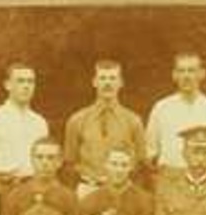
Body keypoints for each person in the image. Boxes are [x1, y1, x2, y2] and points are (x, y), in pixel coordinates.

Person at [0, 63, 49, 215]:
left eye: (30, 81)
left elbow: (45, 161)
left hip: (33, 192)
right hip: (2, 190)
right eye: (20, 81)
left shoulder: (40, 122)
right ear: (7, 85)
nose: (26, 86)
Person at [63, 59, 147, 197]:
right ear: (94, 82)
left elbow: (140, 164)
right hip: (88, 188)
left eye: (112, 78)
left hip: (122, 191)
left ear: (120, 83)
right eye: (103, 78)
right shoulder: (77, 120)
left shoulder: (133, 121)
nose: (107, 83)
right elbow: (69, 163)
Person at [145, 53, 206, 172]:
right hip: (169, 178)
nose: (186, 76)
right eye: (181, 71)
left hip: (202, 181)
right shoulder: (161, 108)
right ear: (174, 75)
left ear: (202, 74)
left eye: (191, 70)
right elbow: (150, 152)